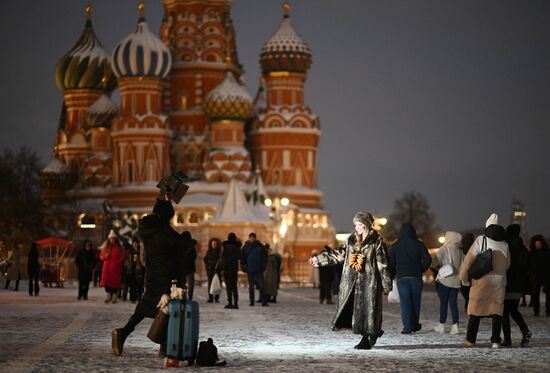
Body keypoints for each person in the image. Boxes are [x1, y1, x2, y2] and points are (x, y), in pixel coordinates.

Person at [112, 196, 189, 356]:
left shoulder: (148, 229)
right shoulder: (163, 231)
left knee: (146, 307)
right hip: (167, 277)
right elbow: (180, 244)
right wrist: (187, 238)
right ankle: (164, 345)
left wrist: (166, 200)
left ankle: (124, 333)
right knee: (169, 309)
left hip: (153, 274)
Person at [309, 211, 392, 350]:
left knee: (369, 309)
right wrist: (319, 259)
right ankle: (371, 333)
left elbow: (382, 264)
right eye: (356, 224)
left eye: (360, 224)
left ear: (367, 224)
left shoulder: (376, 242)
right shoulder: (350, 240)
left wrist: (386, 284)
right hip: (352, 281)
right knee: (355, 309)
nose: (357, 227)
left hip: (369, 283)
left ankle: (367, 337)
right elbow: (338, 254)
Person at [459, 213, 510, 348]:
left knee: (476, 311)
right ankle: (495, 341)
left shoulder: (481, 240)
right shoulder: (504, 244)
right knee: (496, 312)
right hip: (498, 282)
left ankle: (470, 340)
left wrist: (463, 278)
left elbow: (468, 261)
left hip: (482, 281)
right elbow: (508, 264)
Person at [388, 223, 432, 335]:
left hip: (402, 278)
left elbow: (391, 263)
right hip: (416, 277)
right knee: (416, 303)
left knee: (405, 303)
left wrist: (393, 275)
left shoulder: (395, 246)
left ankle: (407, 327)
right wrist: (420, 269)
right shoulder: (419, 245)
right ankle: (415, 324)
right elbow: (428, 260)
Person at [501, 224, 531, 347]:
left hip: (507, 282)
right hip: (518, 284)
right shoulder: (523, 248)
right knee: (513, 310)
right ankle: (525, 331)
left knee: (504, 312)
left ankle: (507, 339)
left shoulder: (506, 246)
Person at [432, 231, 463, 334]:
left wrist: (440, 269)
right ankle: (455, 326)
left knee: (444, 303)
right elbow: (464, 266)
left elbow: (434, 262)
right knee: (453, 303)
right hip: (456, 282)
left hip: (444, 281)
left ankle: (441, 325)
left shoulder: (443, 249)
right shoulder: (459, 251)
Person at [241, 232, 269, 307]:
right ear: (249, 238)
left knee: (262, 285)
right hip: (250, 269)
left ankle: (264, 301)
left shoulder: (260, 246)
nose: (252, 238)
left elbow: (265, 257)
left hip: (259, 269)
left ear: (255, 238)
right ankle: (252, 302)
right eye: (251, 237)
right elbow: (243, 259)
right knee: (251, 286)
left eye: (253, 237)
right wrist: (244, 267)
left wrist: (264, 266)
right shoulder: (246, 247)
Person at [100, 230, 126, 304]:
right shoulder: (106, 247)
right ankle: (108, 294)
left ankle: (114, 295)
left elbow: (122, 256)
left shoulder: (119, 248)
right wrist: (104, 256)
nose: (112, 240)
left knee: (115, 282)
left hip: (115, 267)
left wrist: (118, 262)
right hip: (107, 267)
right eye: (111, 239)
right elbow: (101, 256)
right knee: (107, 281)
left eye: (113, 239)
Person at [529, 234, 550, 317]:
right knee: (535, 294)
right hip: (537, 276)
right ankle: (536, 310)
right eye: (536, 244)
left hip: (546, 275)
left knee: (548, 294)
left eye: (539, 244)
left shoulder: (547, 252)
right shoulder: (532, 253)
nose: (538, 245)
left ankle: (548, 310)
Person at [221, 232, 242, 309]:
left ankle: (230, 302)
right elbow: (240, 256)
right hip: (234, 269)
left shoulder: (225, 247)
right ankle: (235, 303)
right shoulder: (237, 247)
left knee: (228, 287)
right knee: (234, 286)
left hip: (227, 269)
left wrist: (222, 268)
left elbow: (222, 259)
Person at [124, 238, 145, 303]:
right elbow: (125, 260)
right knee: (132, 285)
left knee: (140, 285)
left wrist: (141, 265)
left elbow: (144, 259)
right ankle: (133, 298)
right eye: (134, 243)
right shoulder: (129, 251)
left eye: (136, 243)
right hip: (131, 270)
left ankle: (139, 297)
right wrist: (128, 264)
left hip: (139, 270)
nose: (135, 244)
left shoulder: (141, 251)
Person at [204, 237, 223, 303]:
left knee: (218, 284)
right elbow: (205, 260)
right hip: (210, 271)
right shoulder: (209, 252)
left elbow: (221, 261)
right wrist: (208, 267)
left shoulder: (219, 252)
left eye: (215, 244)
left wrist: (220, 269)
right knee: (210, 284)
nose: (214, 245)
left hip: (218, 271)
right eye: (213, 244)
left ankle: (217, 298)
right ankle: (210, 298)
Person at [460, 233, 475, 312]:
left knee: (465, 290)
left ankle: (467, 306)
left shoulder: (461, 249)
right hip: (473, 273)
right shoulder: (475, 248)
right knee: (470, 291)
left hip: (463, 272)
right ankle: (469, 306)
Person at [181, 231, 197, 300]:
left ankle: (183, 297)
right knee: (190, 285)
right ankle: (189, 297)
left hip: (183, 268)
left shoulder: (181, 247)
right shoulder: (192, 248)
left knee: (182, 284)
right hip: (189, 268)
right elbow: (194, 257)